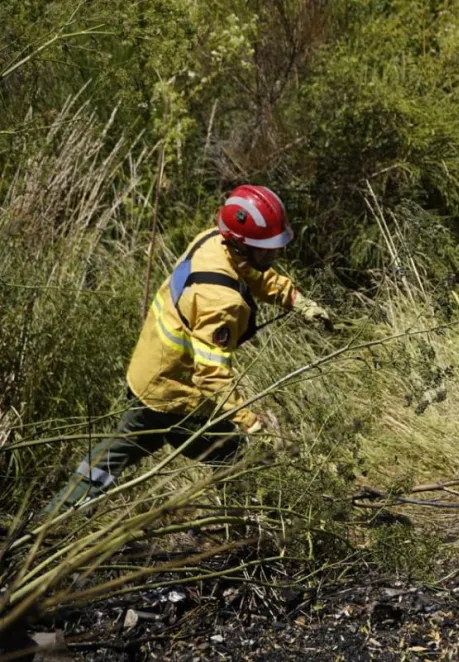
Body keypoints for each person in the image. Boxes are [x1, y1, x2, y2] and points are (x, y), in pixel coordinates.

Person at [48, 185, 331, 511]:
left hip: (151, 373)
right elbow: (211, 373)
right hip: (173, 396)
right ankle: (42, 531)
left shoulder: (213, 240)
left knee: (106, 463)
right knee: (238, 458)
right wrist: (249, 421)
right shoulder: (223, 302)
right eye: (265, 249)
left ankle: (45, 525)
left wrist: (295, 299)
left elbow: (252, 273)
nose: (273, 254)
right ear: (240, 244)